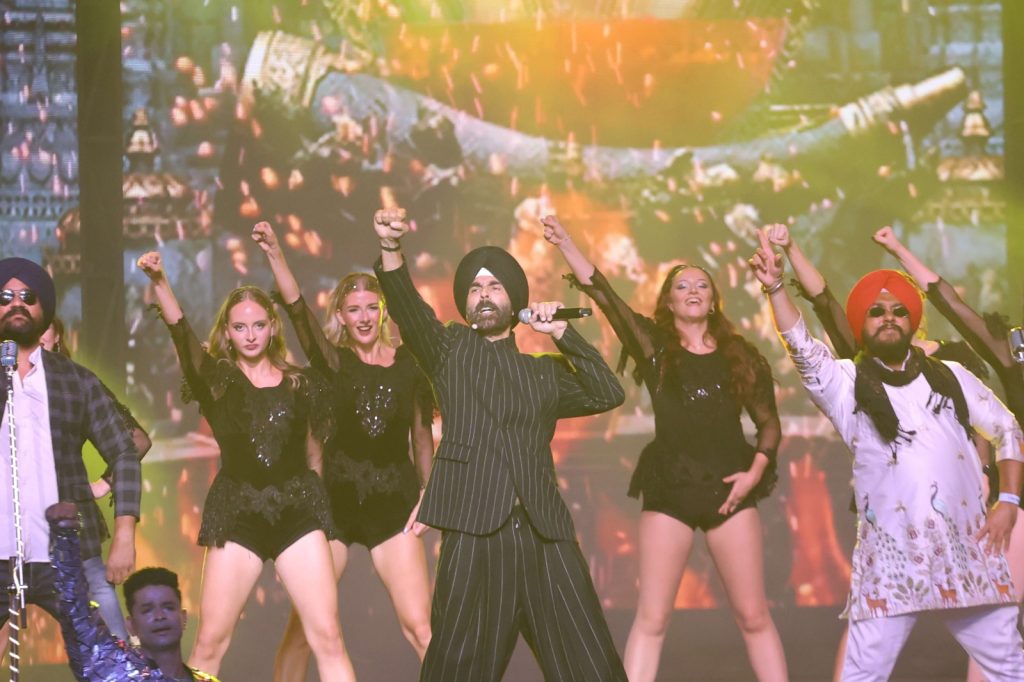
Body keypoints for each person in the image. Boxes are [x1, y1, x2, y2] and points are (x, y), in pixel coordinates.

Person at [749, 230, 1024, 681]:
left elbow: (1007, 428)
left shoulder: (952, 374)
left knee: (1010, 669)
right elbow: (800, 344)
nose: (888, 318)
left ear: (913, 321)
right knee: (861, 676)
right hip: (892, 564)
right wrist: (776, 287)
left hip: (969, 555)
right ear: (862, 323)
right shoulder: (842, 382)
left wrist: (1008, 501)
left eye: (899, 310)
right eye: (876, 312)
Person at [372, 207, 628, 681]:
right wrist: (390, 247)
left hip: (545, 533)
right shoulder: (449, 350)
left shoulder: (542, 373)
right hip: (474, 530)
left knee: (591, 666)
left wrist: (562, 333)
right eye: (474, 288)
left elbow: (606, 392)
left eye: (494, 286)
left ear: (516, 302)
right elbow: (407, 308)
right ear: (465, 306)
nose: (484, 294)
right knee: (457, 669)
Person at [542, 215, 788, 682]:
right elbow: (604, 294)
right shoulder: (654, 348)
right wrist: (567, 243)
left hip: (731, 488)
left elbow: (768, 423)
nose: (693, 290)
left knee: (754, 616)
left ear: (713, 300)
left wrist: (755, 472)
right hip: (671, 489)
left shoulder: (740, 355)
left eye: (702, 285)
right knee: (652, 619)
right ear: (669, 302)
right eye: (682, 285)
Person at [137, 251, 356, 681]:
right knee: (209, 644)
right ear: (227, 332)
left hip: (299, 512)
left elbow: (314, 456)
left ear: (272, 326)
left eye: (258, 325)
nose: (251, 335)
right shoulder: (216, 382)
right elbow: (182, 334)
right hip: (237, 514)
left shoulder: (301, 383)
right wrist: (160, 280)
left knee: (328, 638)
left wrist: (321, 514)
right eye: (240, 327)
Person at [251, 222, 434, 680]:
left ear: (384, 312)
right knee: (305, 630)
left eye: (372, 307)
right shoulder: (334, 362)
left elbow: (421, 437)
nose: (364, 317)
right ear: (341, 315)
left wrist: (430, 494)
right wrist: (275, 253)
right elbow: (297, 312)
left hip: (393, 504)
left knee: (422, 629)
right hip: (334, 505)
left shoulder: (410, 365)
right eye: (354, 309)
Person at [869, 225, 1024, 682]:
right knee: (996, 626)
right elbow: (949, 301)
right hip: (1019, 507)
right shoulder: (1014, 357)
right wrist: (897, 248)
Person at [0, 257, 140, 651]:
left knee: (111, 661)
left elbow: (125, 451)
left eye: (28, 296)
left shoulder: (75, 379)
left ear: (44, 308)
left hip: (69, 554)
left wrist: (125, 532)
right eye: (5, 296)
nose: (16, 303)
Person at [35, 316, 154, 641]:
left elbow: (135, 442)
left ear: (58, 336)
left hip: (70, 525)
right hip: (15, 527)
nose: (36, 335)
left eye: (44, 327)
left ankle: (121, 664)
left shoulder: (77, 382)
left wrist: (102, 483)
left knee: (101, 613)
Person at [47, 501, 217, 681]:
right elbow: (77, 617)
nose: (159, 616)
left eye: (168, 607)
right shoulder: (114, 670)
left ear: (183, 618)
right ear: (131, 625)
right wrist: (65, 536)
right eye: (147, 610)